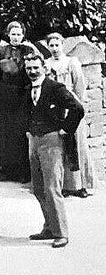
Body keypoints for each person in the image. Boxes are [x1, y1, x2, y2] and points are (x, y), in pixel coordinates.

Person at [23, 51, 84, 249]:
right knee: (38, 188)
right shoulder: (26, 88)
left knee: (51, 187)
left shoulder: (56, 88)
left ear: (44, 68)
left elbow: (77, 108)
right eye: (29, 68)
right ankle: (49, 227)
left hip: (52, 140)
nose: (32, 72)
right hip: (34, 139)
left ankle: (61, 233)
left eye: (35, 68)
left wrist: (65, 129)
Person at [0, 21, 41, 181]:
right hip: (5, 97)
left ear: (23, 35)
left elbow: (36, 70)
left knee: (21, 133)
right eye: (13, 34)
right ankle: (7, 169)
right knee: (6, 134)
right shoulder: (1, 51)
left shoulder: (29, 50)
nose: (16, 37)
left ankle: (23, 171)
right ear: (8, 35)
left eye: (19, 34)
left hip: (24, 96)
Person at [44, 32, 95, 197]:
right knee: (61, 145)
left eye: (57, 45)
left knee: (77, 144)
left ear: (62, 45)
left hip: (71, 105)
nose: (54, 48)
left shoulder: (71, 62)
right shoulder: (46, 64)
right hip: (55, 107)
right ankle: (65, 185)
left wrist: (77, 106)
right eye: (51, 45)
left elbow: (79, 85)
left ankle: (81, 185)